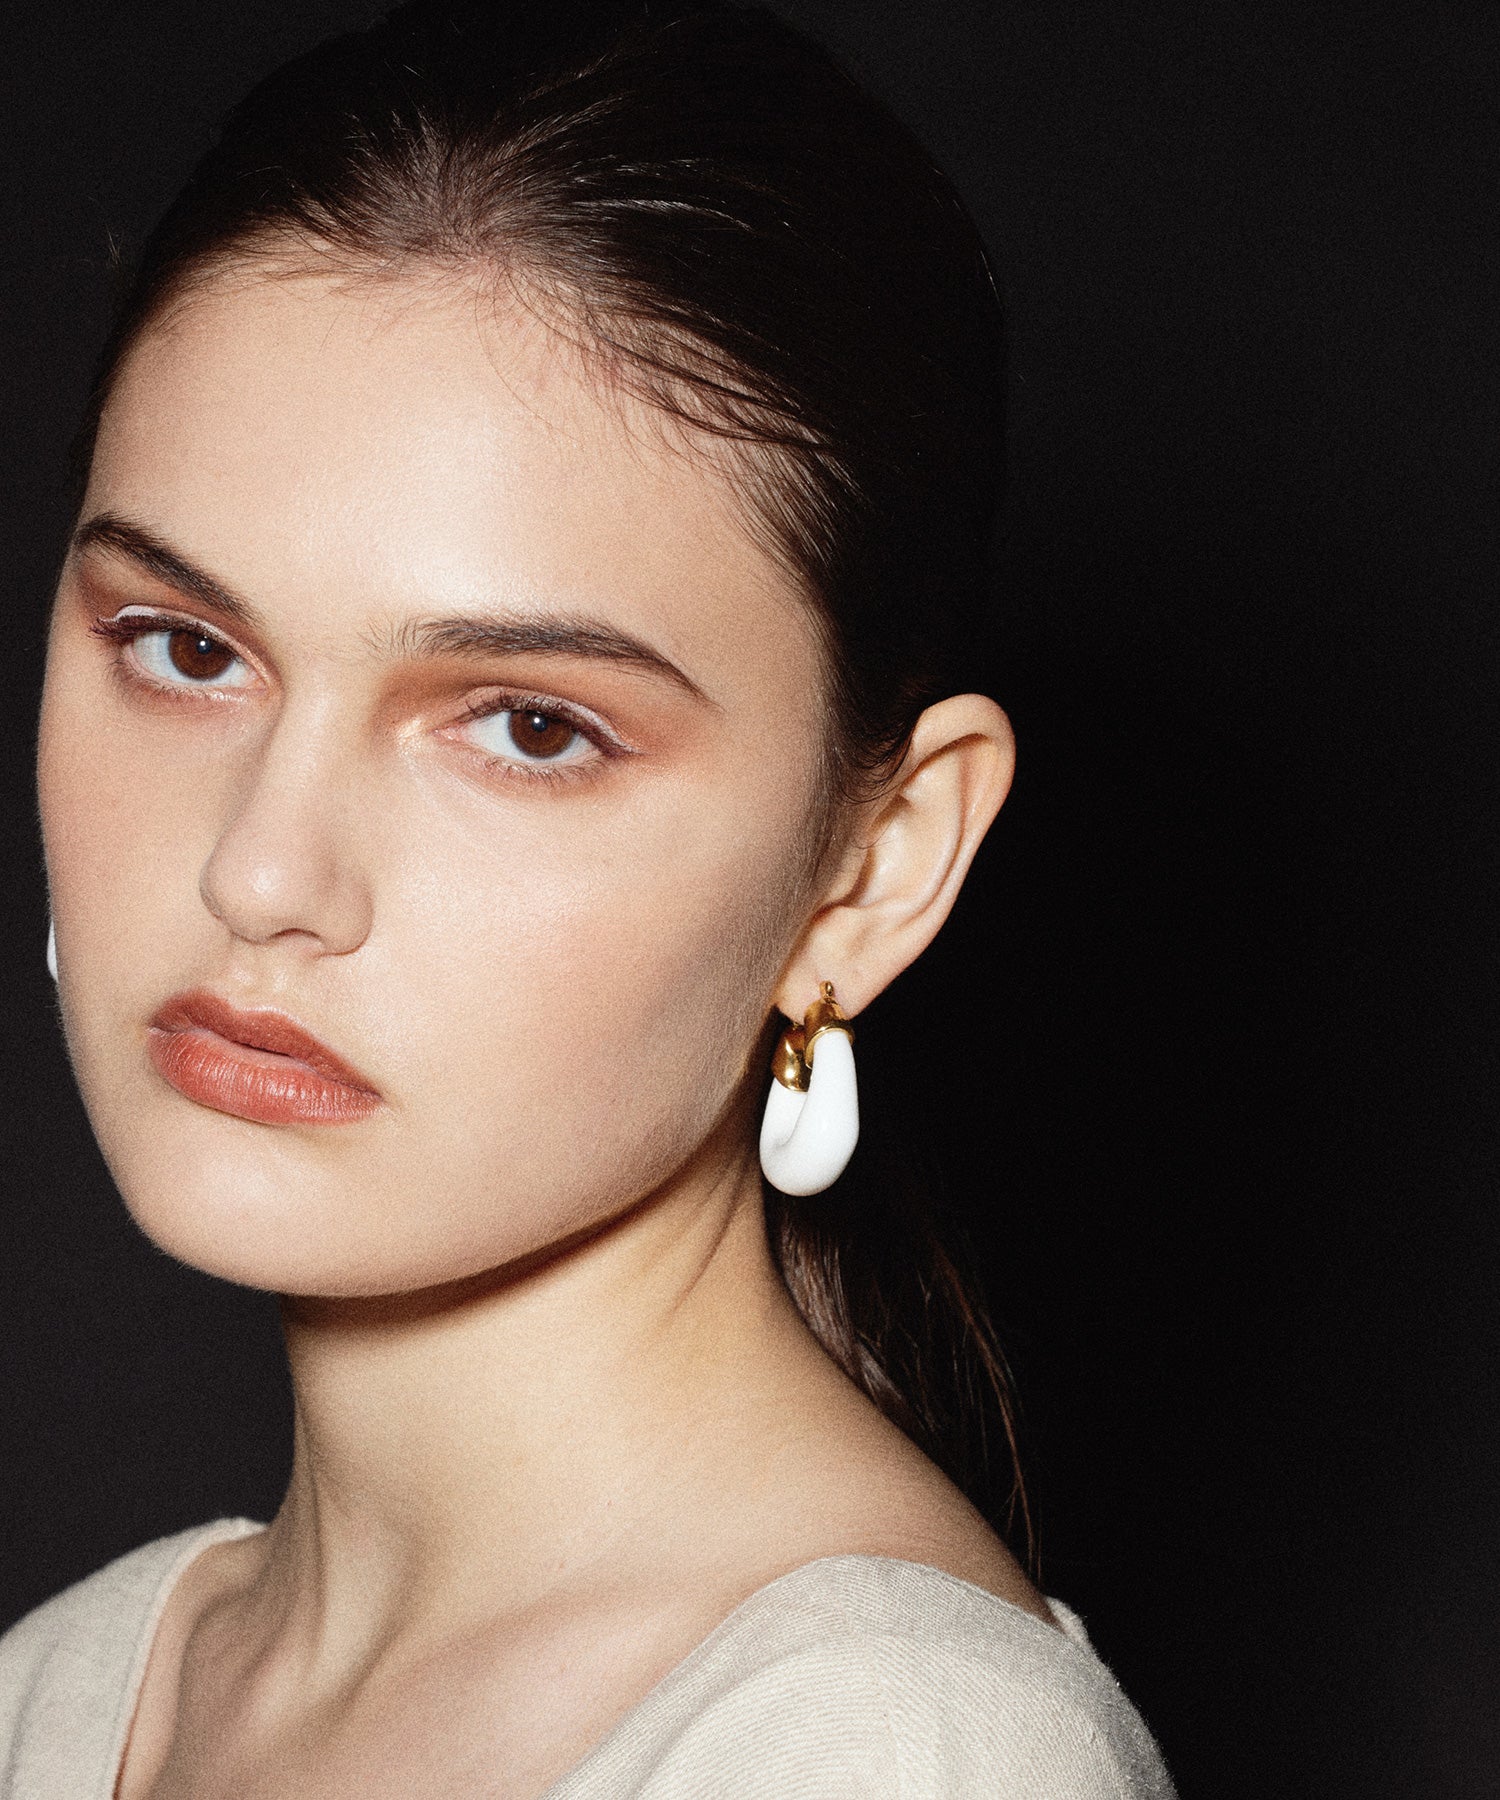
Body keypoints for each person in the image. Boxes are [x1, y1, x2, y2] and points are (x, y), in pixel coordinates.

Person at [0, 1, 1176, 1793]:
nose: (260, 870)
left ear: (875, 868)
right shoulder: (55, 1693)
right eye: (185, 648)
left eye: (531, 728)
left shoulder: (893, 1755)